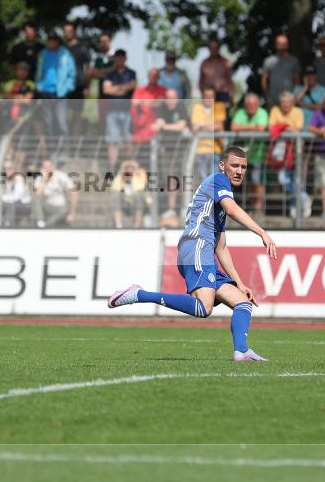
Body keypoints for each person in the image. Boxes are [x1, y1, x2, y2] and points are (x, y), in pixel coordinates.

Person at [107, 146, 278, 362]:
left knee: (242, 302)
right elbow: (233, 210)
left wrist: (239, 283)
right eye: (235, 165)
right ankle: (139, 294)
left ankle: (241, 351)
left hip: (204, 251)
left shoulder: (219, 200)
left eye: (243, 167)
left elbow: (221, 247)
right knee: (203, 308)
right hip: (196, 246)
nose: (239, 171)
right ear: (222, 165)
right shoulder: (218, 181)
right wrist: (262, 232)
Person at [269, 91, 310, 218]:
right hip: (281, 153)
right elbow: (271, 127)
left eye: (288, 103)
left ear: (292, 103)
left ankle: (296, 207)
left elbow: (297, 129)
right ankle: (305, 199)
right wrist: (287, 128)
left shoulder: (298, 112)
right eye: (283, 103)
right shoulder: (275, 110)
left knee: (298, 180)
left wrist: (281, 127)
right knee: (283, 179)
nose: (285, 105)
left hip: (296, 151)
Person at [153, 88, 190, 219]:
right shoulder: (162, 108)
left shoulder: (181, 107)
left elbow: (181, 125)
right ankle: (172, 208)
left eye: (173, 97)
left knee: (185, 177)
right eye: (168, 97)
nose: (170, 100)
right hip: (167, 150)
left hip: (183, 150)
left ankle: (185, 207)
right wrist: (171, 126)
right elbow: (156, 125)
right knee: (171, 179)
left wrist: (165, 126)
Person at [230, 93, 269, 211]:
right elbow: (233, 127)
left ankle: (259, 207)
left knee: (257, 180)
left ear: (258, 104)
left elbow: (261, 129)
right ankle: (253, 206)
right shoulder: (240, 113)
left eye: (254, 104)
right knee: (248, 181)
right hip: (243, 155)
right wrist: (253, 127)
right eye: (249, 104)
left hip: (258, 154)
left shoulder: (262, 113)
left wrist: (244, 128)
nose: (251, 106)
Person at [35, 32, 75, 137]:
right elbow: (38, 72)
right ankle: (52, 150)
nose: (52, 43)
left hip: (61, 93)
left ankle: (64, 151)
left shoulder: (64, 54)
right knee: (49, 123)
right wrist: (40, 86)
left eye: (54, 40)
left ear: (57, 41)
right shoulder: (43, 54)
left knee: (61, 122)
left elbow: (72, 73)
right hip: (46, 92)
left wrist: (68, 88)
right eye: (50, 40)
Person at [101, 49, 137, 168]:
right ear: (115, 59)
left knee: (128, 140)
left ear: (125, 58)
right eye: (118, 57)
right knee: (112, 141)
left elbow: (132, 85)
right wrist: (123, 89)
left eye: (122, 57)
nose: (120, 59)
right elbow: (106, 90)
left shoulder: (131, 73)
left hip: (127, 111)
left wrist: (115, 88)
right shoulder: (110, 74)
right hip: (112, 112)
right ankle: (112, 169)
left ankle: (131, 167)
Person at [191, 87, 226, 182]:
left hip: (215, 149)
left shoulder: (219, 106)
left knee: (213, 181)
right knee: (203, 181)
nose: (209, 98)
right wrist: (211, 126)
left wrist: (201, 125)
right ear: (203, 96)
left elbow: (218, 125)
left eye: (211, 96)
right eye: (207, 96)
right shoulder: (197, 108)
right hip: (200, 150)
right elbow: (194, 128)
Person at [62, 22, 91, 133]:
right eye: (65, 31)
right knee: (63, 116)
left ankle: (75, 143)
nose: (67, 33)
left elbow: (88, 68)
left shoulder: (82, 47)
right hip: (63, 87)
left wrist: (87, 87)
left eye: (69, 31)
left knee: (77, 115)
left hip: (78, 85)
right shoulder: (62, 48)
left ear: (74, 32)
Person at [32, 159, 77, 228]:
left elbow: (74, 193)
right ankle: (40, 221)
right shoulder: (40, 177)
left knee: (62, 212)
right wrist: (44, 181)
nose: (47, 169)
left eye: (49, 167)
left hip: (59, 207)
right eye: (45, 167)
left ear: (54, 167)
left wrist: (72, 214)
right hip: (46, 206)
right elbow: (37, 195)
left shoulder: (61, 176)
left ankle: (45, 226)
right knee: (35, 197)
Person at [261, 34, 300, 108]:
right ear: (275, 45)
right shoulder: (268, 61)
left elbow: (297, 80)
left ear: (287, 45)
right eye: (279, 44)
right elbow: (264, 80)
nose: (282, 46)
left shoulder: (293, 61)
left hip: (289, 101)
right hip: (273, 101)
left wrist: (295, 97)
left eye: (284, 44)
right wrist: (267, 97)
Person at [130, 67, 167, 146]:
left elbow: (161, 103)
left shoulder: (163, 90)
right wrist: (152, 102)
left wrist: (143, 102)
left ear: (158, 77)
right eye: (151, 75)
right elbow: (134, 102)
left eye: (155, 75)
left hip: (155, 124)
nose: (153, 77)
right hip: (140, 125)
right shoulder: (140, 89)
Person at [110, 157, 148, 229]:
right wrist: (122, 171)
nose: (130, 169)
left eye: (132, 167)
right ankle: (119, 226)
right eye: (127, 167)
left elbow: (142, 185)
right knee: (115, 196)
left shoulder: (141, 174)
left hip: (137, 202)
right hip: (124, 202)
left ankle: (137, 227)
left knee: (139, 196)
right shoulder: (120, 176)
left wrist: (136, 170)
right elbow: (115, 187)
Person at [0, 62, 36, 127]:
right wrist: (17, 97)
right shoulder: (9, 83)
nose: (22, 72)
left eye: (24, 70)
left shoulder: (30, 84)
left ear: (27, 72)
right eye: (19, 70)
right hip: (9, 111)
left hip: (24, 111)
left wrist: (15, 98)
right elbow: (6, 96)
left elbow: (28, 100)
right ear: (15, 71)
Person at [198, 40, 232, 104]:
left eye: (215, 47)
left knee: (222, 113)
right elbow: (201, 81)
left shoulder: (225, 62)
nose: (213, 49)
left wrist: (231, 96)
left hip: (223, 95)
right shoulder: (204, 63)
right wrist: (202, 94)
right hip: (208, 95)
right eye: (211, 47)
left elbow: (230, 80)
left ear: (218, 48)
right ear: (209, 49)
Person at [0, 160, 30, 227]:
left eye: (9, 168)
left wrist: (2, 198)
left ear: (14, 169)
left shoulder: (19, 178)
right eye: (4, 168)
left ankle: (8, 225)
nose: (7, 170)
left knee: (11, 204)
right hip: (10, 203)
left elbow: (17, 196)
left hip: (23, 204)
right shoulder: (4, 179)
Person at [294, 65, 325, 130]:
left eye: (312, 75)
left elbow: (320, 107)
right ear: (304, 77)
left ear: (316, 76)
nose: (310, 77)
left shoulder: (322, 90)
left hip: (317, 128)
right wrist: (305, 87)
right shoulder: (298, 89)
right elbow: (294, 103)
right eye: (307, 75)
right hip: (300, 127)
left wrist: (302, 104)